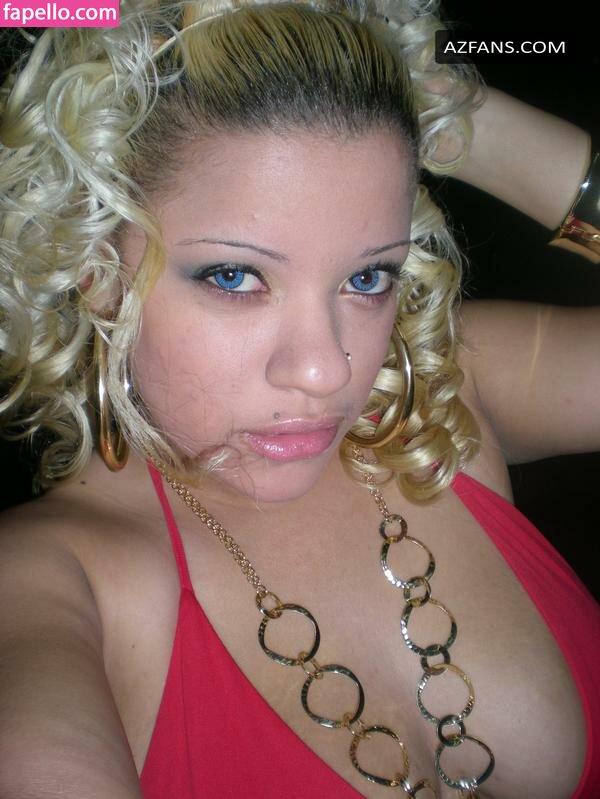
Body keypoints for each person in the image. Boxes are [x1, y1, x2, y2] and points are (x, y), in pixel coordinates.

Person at [0, 1, 598, 797]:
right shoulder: (44, 585)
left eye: (367, 276)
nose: (324, 371)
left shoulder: (450, 398)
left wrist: (451, 113)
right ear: (98, 266)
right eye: (235, 276)